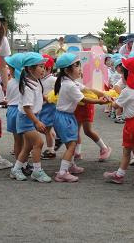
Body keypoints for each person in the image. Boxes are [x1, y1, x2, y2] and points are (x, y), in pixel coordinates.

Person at [53, 53, 109, 182]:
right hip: (64, 117)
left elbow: (87, 89)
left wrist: (105, 94)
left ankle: (70, 165)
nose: (80, 68)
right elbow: (84, 99)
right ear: (67, 70)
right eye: (76, 66)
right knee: (72, 145)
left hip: (64, 116)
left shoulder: (69, 82)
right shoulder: (70, 85)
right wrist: (100, 102)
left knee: (70, 144)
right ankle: (62, 172)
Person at [103, 57, 134, 187]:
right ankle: (119, 175)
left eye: (123, 73)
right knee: (127, 151)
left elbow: (116, 106)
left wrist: (110, 99)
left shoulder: (127, 91)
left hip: (133, 125)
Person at [11, 52, 52, 182]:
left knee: (28, 147)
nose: (43, 69)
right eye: (40, 66)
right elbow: (27, 108)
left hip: (30, 118)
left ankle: (16, 169)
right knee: (39, 142)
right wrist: (37, 122)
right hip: (26, 119)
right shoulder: (28, 85)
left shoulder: (35, 81)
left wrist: (45, 98)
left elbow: (36, 99)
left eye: (43, 66)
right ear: (30, 69)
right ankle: (37, 171)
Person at [4, 53, 26, 168]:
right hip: (22, 111)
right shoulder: (26, 82)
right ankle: (23, 163)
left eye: (9, 68)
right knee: (26, 142)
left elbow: (8, 98)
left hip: (11, 110)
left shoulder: (10, 82)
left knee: (17, 141)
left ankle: (19, 163)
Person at [40, 54, 58, 160]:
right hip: (42, 107)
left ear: (49, 68)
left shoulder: (52, 79)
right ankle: (52, 140)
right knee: (45, 129)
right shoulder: (41, 79)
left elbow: (57, 92)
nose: (41, 71)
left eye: (43, 68)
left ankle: (51, 150)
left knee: (46, 129)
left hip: (49, 107)